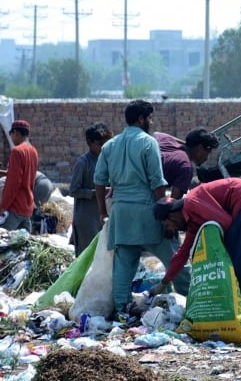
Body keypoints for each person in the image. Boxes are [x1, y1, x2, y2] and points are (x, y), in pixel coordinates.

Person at [93, 99, 170, 320]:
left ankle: (121, 310)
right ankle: (193, 297)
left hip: (121, 213)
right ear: (141, 119)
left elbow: (99, 181)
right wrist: (164, 214)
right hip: (147, 211)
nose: (151, 122)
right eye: (150, 117)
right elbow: (157, 182)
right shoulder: (148, 143)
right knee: (174, 258)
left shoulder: (109, 146)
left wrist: (103, 211)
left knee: (124, 265)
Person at [151, 177, 241, 309]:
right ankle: (240, 312)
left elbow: (225, 223)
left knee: (239, 265)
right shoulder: (192, 222)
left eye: (168, 224)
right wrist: (163, 283)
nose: (171, 229)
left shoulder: (192, 203)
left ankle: (238, 313)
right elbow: (182, 254)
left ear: (172, 215)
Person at [151, 128, 220, 294]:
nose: (206, 157)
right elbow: (174, 206)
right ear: (199, 148)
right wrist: (170, 228)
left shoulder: (166, 140)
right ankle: (189, 293)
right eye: (207, 151)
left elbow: (156, 133)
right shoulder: (186, 167)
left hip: (121, 196)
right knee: (174, 249)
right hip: (147, 201)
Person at [70, 122, 113, 256]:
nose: (104, 147)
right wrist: (96, 193)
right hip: (87, 218)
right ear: (90, 143)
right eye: (100, 144)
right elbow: (74, 190)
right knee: (86, 255)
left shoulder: (107, 160)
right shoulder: (83, 163)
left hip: (103, 215)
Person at [0, 119, 39, 232]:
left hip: (15, 206)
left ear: (15, 133)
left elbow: (13, 182)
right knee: (23, 244)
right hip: (27, 205)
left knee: (1, 240)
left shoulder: (17, 151)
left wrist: (3, 206)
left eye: (11, 135)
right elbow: (27, 175)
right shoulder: (33, 151)